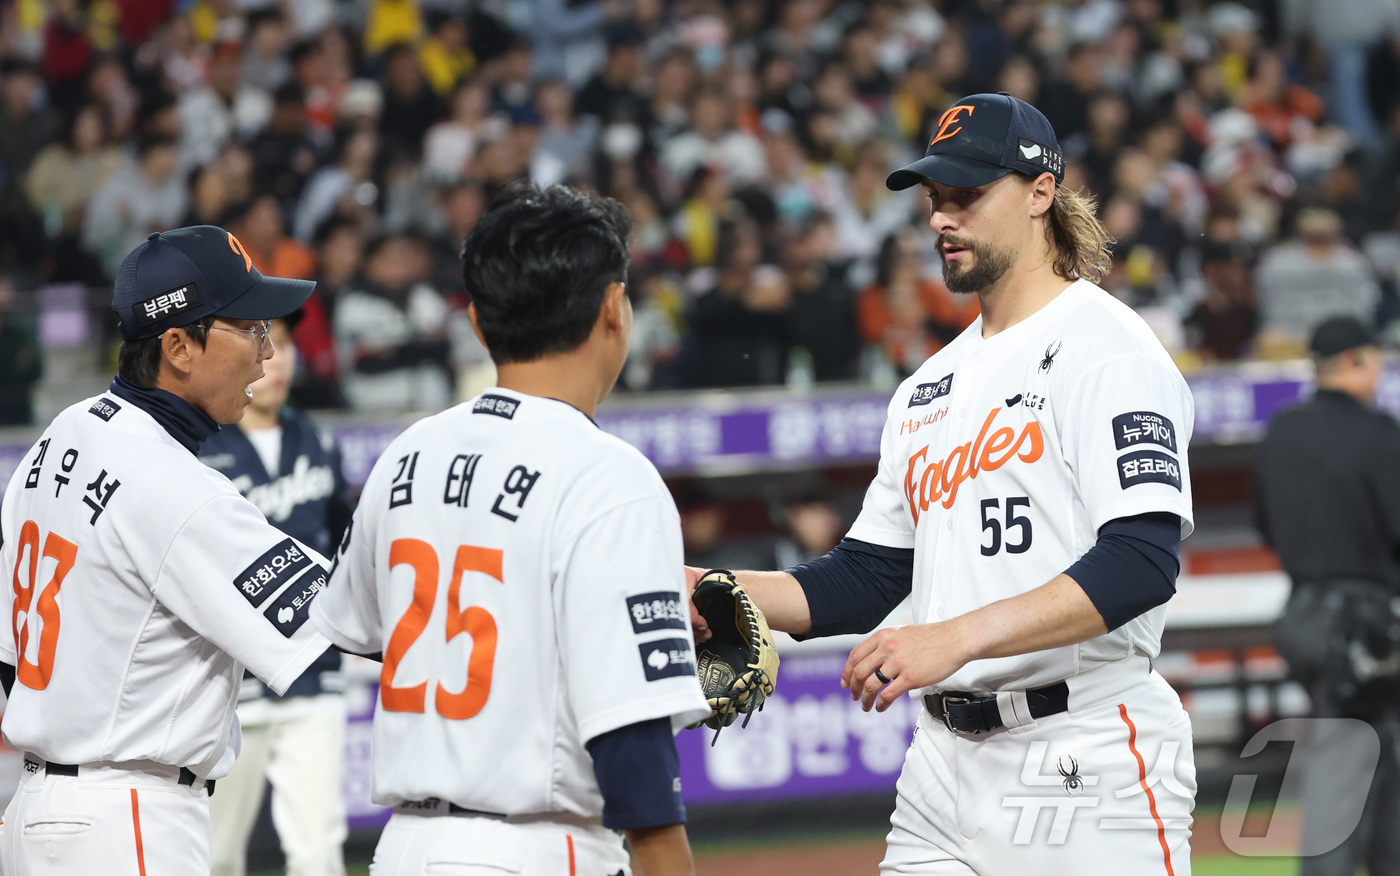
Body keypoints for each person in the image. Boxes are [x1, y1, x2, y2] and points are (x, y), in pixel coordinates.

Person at [691, 93, 1197, 874]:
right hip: (940, 766)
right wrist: (707, 586)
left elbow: (1142, 562)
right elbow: (865, 578)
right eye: (934, 197)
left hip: (1083, 745)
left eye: (967, 195)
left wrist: (954, 637)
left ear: (1040, 192)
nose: (941, 218)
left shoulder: (1108, 348)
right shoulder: (929, 385)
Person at [310, 183, 710, 876]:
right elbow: (633, 746)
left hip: (403, 848)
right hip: (534, 847)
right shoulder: (612, 474)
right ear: (614, 308)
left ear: (476, 322)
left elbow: (374, 631)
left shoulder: (407, 453)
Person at [0, 225, 333, 875]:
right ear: (178, 346)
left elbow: (8, 658)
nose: (267, 353)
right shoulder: (175, 485)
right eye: (250, 329)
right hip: (127, 817)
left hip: (37, 808)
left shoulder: (61, 434)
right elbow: (340, 617)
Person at [200, 316, 353, 876]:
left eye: (287, 347)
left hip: (314, 671)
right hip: (232, 681)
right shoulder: (201, 447)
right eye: (270, 345)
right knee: (216, 853)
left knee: (317, 850)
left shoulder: (318, 439)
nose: (279, 359)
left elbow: (345, 541)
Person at [1254, 315, 1400, 876]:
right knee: (1347, 763)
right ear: (1357, 360)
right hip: (1365, 622)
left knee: (1372, 758)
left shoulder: (1282, 430)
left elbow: (1265, 525)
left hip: (1303, 614)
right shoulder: (1378, 431)